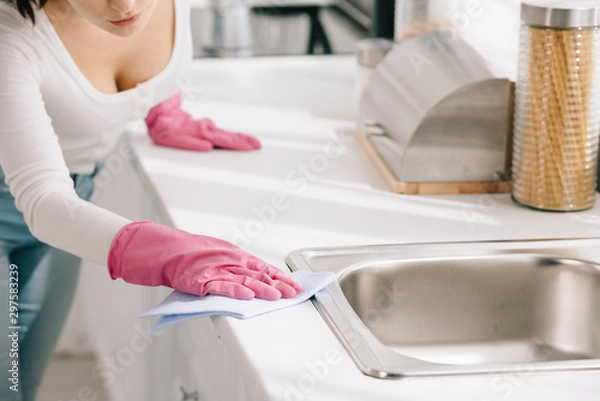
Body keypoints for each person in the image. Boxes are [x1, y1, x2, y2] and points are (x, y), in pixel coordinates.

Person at [0, 0, 303, 399]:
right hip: (45, 205)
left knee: (20, 384)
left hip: (71, 204)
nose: (125, 4)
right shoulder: (13, 38)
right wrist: (169, 254)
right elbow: (42, 198)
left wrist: (160, 107)